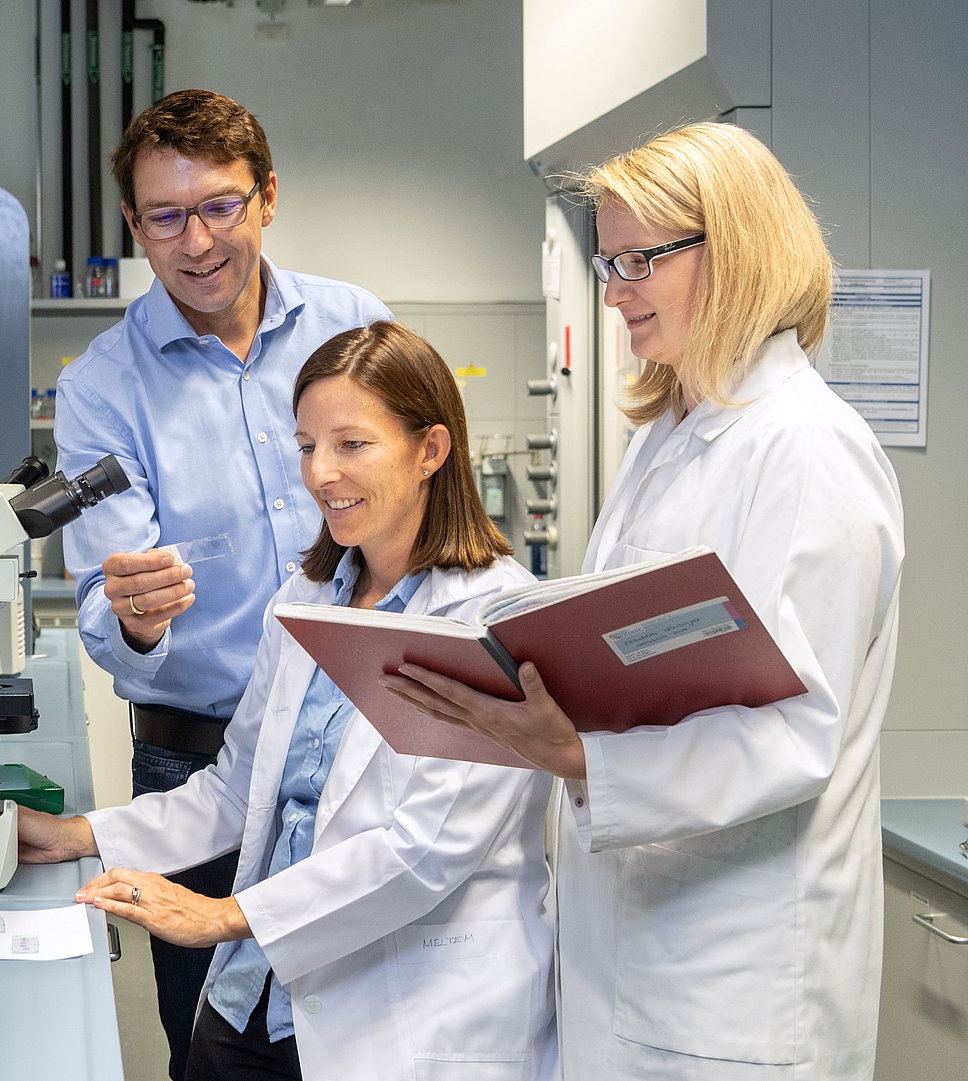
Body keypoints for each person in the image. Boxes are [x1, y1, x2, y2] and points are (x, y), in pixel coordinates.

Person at [383, 122, 904, 1079]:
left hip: (732, 982)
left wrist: (578, 754)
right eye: (607, 260)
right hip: (624, 952)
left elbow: (793, 732)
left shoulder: (805, 448)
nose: (614, 289)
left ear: (736, 250)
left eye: (639, 260)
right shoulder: (670, 434)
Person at [26, 321, 557, 1081]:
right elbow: (236, 789)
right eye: (307, 445)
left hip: (407, 1013)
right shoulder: (311, 595)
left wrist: (224, 915)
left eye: (352, 444)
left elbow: (427, 845)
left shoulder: (492, 618)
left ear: (431, 450)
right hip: (255, 999)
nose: (320, 473)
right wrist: (77, 834)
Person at [54, 88, 389, 1078]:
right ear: (133, 225)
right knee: (217, 1048)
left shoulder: (353, 328)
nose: (196, 241)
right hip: (195, 761)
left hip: (361, 743)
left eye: (220, 207)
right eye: (166, 216)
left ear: (267, 197)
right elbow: (103, 610)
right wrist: (137, 617)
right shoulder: (102, 385)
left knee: (370, 1029)